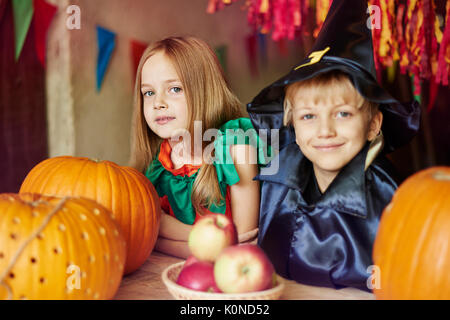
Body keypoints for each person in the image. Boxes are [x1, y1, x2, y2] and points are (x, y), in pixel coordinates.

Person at [246, 0, 421, 292]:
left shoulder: (393, 199)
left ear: (373, 125)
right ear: (294, 127)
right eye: (309, 116)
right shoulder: (276, 179)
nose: (325, 131)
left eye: (343, 113)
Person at [130, 36, 266, 259]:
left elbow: (243, 243)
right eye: (149, 92)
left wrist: (167, 231)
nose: (158, 103)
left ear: (205, 91)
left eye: (174, 89)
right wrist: (206, 242)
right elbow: (149, 237)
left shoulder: (236, 148)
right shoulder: (160, 164)